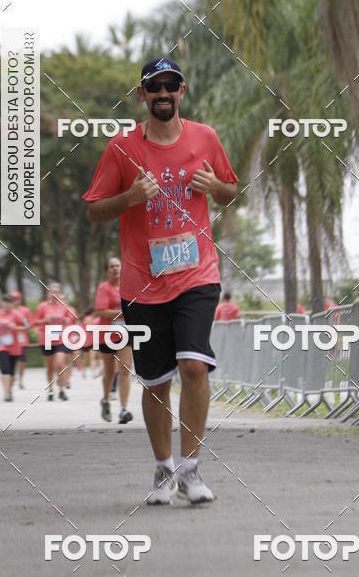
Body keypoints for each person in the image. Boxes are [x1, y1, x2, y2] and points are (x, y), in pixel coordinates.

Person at [84, 56, 238, 504]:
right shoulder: (121, 148)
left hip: (197, 273)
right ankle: (164, 469)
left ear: (182, 91)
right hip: (142, 283)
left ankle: (191, 469)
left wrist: (216, 188)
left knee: (193, 364)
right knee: (155, 382)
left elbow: (231, 189)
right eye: (155, 87)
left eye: (171, 85)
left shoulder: (205, 138)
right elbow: (94, 209)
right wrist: (130, 196)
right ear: (142, 95)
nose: (164, 93)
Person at [93, 257, 133, 425]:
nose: (115, 269)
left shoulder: (129, 286)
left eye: (118, 266)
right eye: (111, 267)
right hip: (107, 334)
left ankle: (124, 409)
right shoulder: (104, 288)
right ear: (107, 270)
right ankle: (105, 400)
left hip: (125, 333)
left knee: (125, 369)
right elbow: (101, 312)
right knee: (109, 373)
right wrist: (122, 313)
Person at [31, 284, 75, 401]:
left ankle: (61, 390)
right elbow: (34, 322)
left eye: (57, 292)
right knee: (50, 367)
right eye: (52, 292)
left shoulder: (64, 306)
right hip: (47, 339)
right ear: (48, 294)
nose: (54, 294)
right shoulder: (42, 307)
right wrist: (44, 320)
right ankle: (50, 390)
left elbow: (70, 321)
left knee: (60, 364)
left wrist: (67, 320)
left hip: (60, 339)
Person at [0, 294, 24, 401]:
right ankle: (6, 393)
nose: (7, 304)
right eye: (5, 302)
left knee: (11, 371)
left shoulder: (17, 315)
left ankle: (9, 390)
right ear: (2, 303)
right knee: (4, 368)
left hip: (14, 346)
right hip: (1, 345)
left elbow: (26, 327)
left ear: (13, 304)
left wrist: (15, 327)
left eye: (9, 302)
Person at [11, 290, 31, 389]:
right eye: (14, 299)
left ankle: (21, 379)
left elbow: (28, 325)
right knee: (13, 359)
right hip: (11, 339)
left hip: (23, 338)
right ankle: (13, 376)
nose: (16, 301)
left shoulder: (25, 310)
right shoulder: (8, 310)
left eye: (17, 299)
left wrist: (25, 324)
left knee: (22, 360)